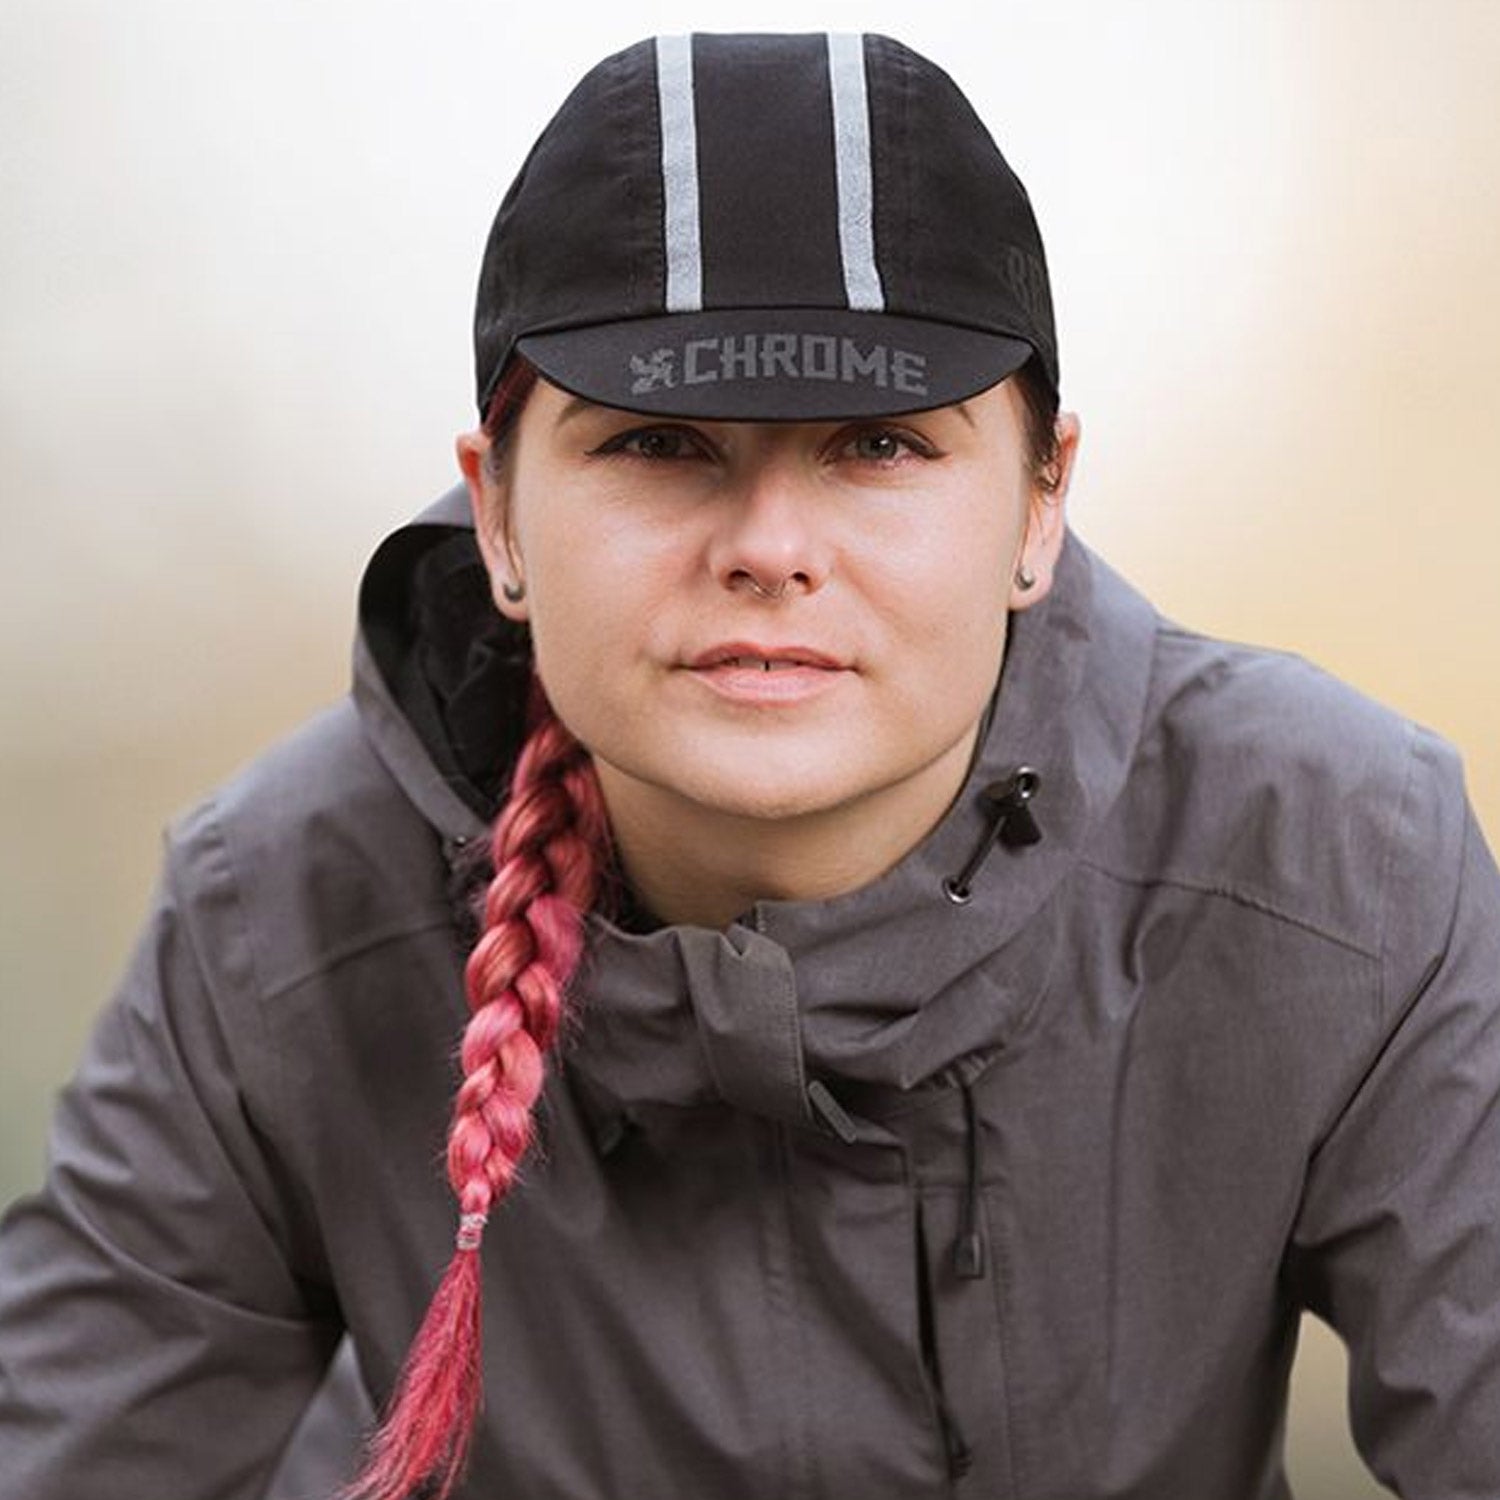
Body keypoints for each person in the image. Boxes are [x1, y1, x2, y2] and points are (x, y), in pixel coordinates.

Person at [1, 30, 1497, 1500]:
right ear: (500, 516)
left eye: (880, 445)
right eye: (661, 444)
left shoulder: (1341, 856)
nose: (771, 549)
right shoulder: (275, 911)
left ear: (1042, 502)